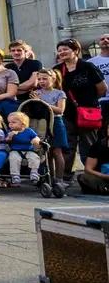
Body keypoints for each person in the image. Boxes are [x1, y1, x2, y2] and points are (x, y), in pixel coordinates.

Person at [55, 38, 106, 178]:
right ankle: (66, 176)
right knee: (68, 145)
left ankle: (93, 175)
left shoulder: (87, 66)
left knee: (89, 144)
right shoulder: (57, 69)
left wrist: (89, 101)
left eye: (65, 49)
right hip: (67, 112)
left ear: (76, 50)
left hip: (88, 112)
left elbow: (102, 88)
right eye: (59, 50)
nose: (62, 52)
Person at [31, 69, 68, 190]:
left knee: (57, 151)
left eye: (45, 79)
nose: (42, 81)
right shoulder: (35, 93)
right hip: (42, 123)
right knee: (46, 151)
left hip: (56, 122)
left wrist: (41, 102)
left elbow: (60, 110)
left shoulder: (59, 93)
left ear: (53, 78)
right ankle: (48, 178)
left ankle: (59, 179)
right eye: (39, 79)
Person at [3, 112, 42, 186]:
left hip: (28, 150)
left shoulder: (29, 131)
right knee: (13, 158)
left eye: (13, 122)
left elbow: (36, 137)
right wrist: (10, 137)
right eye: (9, 122)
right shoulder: (10, 132)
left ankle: (34, 173)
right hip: (15, 150)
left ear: (23, 124)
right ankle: (15, 175)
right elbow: (6, 141)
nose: (10, 124)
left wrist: (36, 140)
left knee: (35, 158)